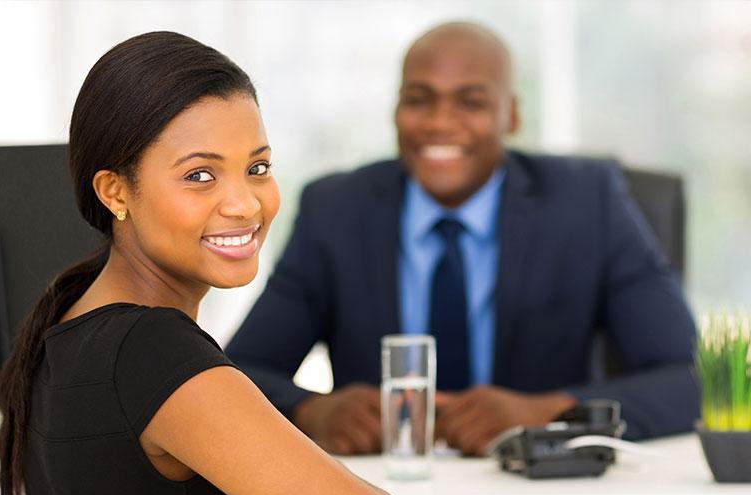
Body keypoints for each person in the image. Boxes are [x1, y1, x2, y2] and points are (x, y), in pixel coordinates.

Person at [0, 31, 420, 495]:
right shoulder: (155, 354)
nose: (244, 203)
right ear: (115, 192)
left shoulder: (66, 322)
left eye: (258, 168)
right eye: (200, 175)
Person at [227, 22, 699, 456]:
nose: (439, 123)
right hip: (382, 491)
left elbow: (690, 381)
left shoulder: (586, 203)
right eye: (419, 99)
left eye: (470, 102)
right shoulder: (335, 210)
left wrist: (549, 412)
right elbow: (237, 373)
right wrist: (313, 411)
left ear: (510, 115)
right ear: (396, 109)